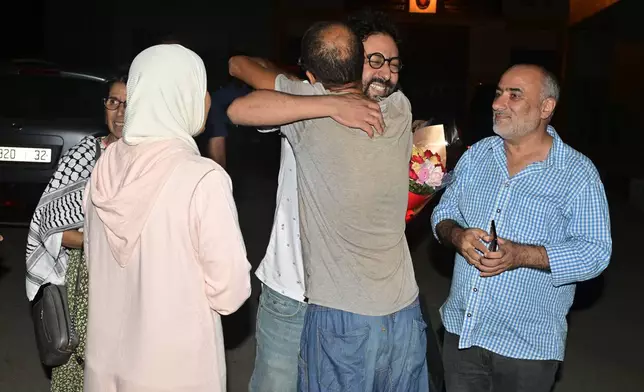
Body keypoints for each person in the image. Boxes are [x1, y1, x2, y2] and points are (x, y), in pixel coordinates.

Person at [228, 21, 428, 392]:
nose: (386, 72)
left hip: (350, 305)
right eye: (376, 60)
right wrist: (331, 103)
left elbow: (240, 85)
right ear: (351, 62)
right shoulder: (303, 106)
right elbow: (244, 78)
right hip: (292, 290)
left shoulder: (397, 108)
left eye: (395, 64)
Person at [431, 64, 612, 392]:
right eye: (499, 93)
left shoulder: (577, 174)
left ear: (546, 107)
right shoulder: (477, 157)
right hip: (463, 333)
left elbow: (596, 253)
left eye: (514, 95)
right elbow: (443, 212)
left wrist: (521, 255)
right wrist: (458, 236)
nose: (498, 103)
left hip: (527, 348)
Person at [83, 44, 251, 392]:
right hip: (176, 374)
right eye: (198, 90)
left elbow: (94, 264)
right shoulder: (202, 179)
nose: (206, 100)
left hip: (107, 371)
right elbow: (230, 293)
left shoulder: (103, 168)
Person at [25, 73, 127, 392]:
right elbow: (50, 226)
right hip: (87, 283)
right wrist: (101, 241)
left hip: (137, 286)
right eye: (113, 101)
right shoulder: (87, 154)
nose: (121, 112)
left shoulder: (157, 160)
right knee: (80, 369)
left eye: (131, 103)